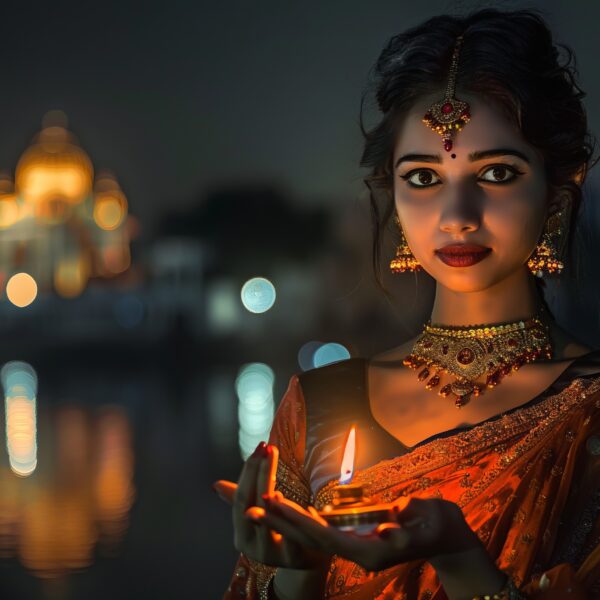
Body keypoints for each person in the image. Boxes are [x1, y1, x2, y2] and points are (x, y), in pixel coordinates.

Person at [214, 7, 600, 599]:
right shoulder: (317, 404)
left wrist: (460, 559)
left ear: (558, 190)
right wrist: (299, 569)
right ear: (391, 198)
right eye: (423, 178)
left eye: (497, 172)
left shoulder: (588, 413)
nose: (456, 217)